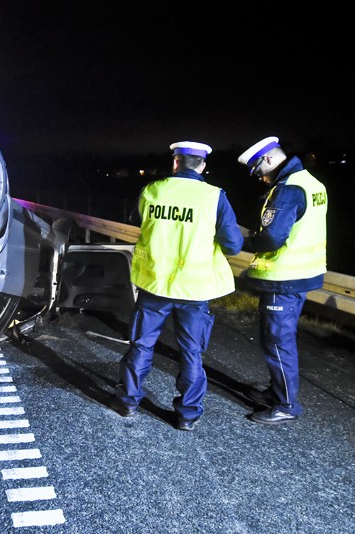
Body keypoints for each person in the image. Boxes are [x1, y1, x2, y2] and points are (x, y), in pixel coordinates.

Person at [113, 141, 244, 431]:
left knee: (142, 344)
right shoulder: (215, 196)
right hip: (194, 289)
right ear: (202, 166)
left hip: (155, 285)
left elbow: (137, 220)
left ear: (175, 163)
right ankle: (187, 415)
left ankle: (127, 401)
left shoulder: (152, 190)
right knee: (191, 352)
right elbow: (233, 245)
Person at [237, 136, 328, 425]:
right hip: (302, 273)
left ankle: (286, 404)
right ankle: (277, 392)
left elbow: (273, 238)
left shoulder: (287, 189)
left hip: (284, 277)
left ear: (268, 160)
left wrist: (246, 240)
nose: (260, 178)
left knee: (277, 341)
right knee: (278, 339)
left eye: (258, 171)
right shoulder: (311, 183)